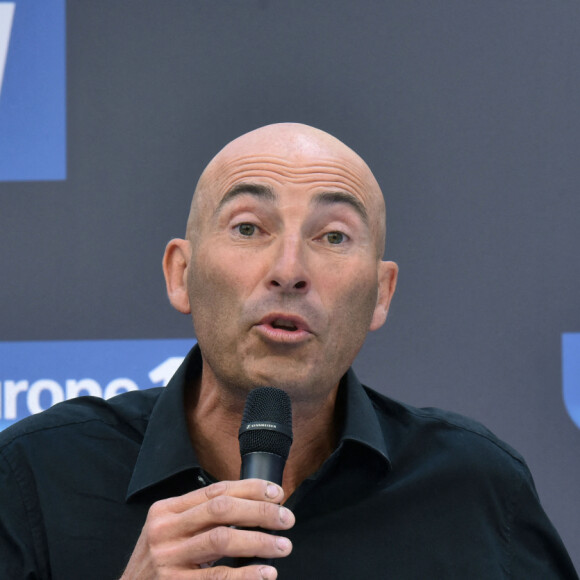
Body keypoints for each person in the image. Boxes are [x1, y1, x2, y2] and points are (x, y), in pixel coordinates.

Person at [0, 123, 577, 579]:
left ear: (381, 293)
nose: (289, 271)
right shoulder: (37, 476)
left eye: (333, 236)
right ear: (181, 274)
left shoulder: (474, 489)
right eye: (250, 228)